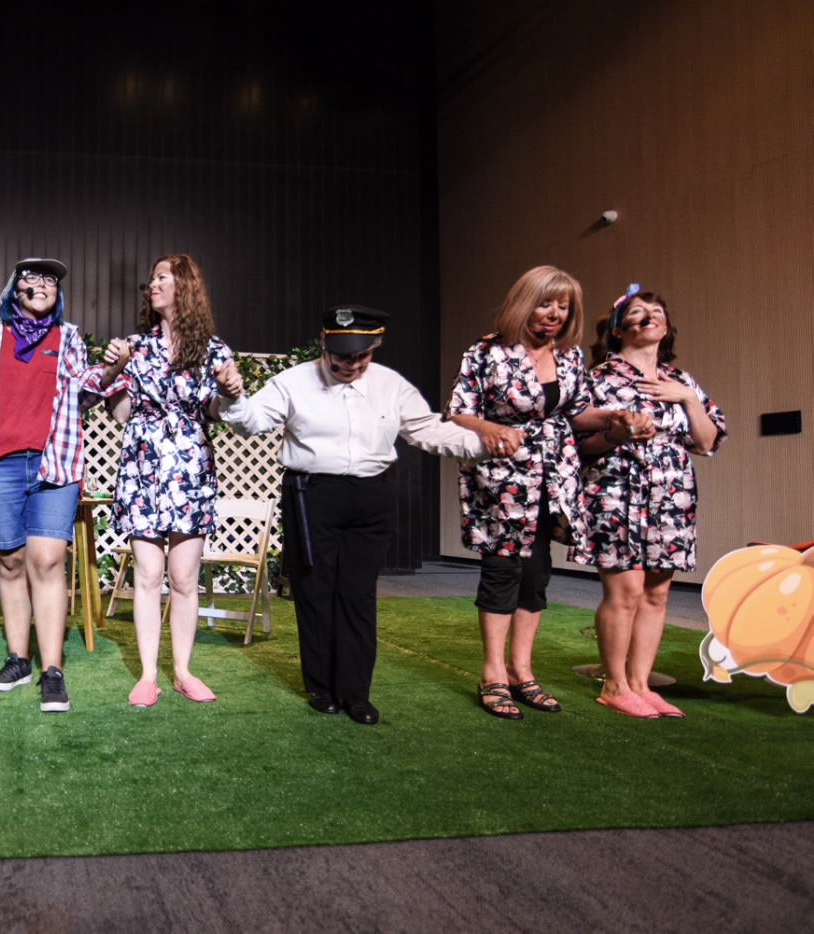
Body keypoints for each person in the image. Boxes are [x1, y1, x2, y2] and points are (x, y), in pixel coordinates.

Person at [218, 306, 487, 723]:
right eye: (342, 356)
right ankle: (321, 687)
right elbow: (250, 423)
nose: (351, 364)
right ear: (324, 343)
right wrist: (234, 397)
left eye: (361, 356)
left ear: (375, 347)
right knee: (315, 591)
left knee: (358, 594)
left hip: (371, 495)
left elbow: (430, 431)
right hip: (312, 494)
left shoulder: (391, 385)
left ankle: (356, 693)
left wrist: (485, 445)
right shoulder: (292, 381)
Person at [448, 266, 651, 720]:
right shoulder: (487, 351)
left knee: (536, 572)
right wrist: (490, 428)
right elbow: (458, 412)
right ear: (525, 303)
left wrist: (616, 416)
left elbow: (577, 414)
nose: (555, 313)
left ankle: (521, 671)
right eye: (546, 303)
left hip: (554, 477)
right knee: (503, 569)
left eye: (563, 306)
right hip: (502, 476)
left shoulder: (570, 355)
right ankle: (493, 673)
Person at [0, 258, 129, 713]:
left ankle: (53, 670)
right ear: (15, 289)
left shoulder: (67, 337)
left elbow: (87, 390)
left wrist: (113, 369)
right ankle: (18, 661)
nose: (43, 284)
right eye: (32, 277)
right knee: (10, 562)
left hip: (54, 462)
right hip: (0, 465)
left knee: (48, 561)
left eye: (51, 279)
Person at [571, 286, 725, 718]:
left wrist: (688, 398)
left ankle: (640, 684)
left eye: (657, 311)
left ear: (666, 327)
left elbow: (706, 442)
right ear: (618, 330)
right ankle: (615, 684)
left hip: (672, 495)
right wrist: (617, 433)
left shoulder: (681, 381)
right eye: (637, 311)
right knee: (626, 590)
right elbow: (578, 445)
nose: (649, 315)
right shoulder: (599, 379)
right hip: (617, 490)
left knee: (657, 592)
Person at [102, 254, 233, 706]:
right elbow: (121, 413)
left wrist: (228, 391)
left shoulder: (213, 350)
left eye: (162, 277)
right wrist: (115, 371)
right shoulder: (134, 346)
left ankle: (182, 671)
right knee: (148, 573)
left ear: (185, 287)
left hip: (190, 466)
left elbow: (214, 413)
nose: (152, 284)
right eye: (152, 279)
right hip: (142, 465)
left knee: (183, 576)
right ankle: (147, 674)